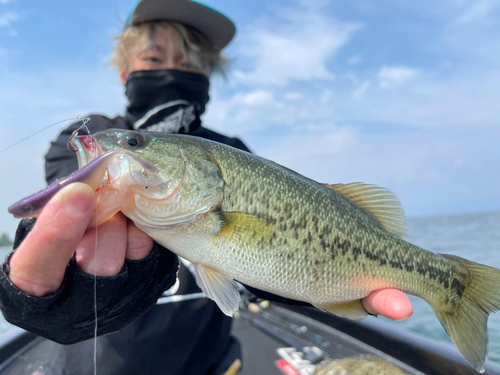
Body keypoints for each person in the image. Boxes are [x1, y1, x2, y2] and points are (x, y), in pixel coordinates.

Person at [0, 1, 413, 374]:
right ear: (125, 72)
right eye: (154, 56)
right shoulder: (91, 134)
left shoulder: (232, 152)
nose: (174, 70)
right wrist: (52, 293)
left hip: (208, 360)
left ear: (208, 78)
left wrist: (327, 285)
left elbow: (261, 265)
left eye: (193, 62)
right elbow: (67, 201)